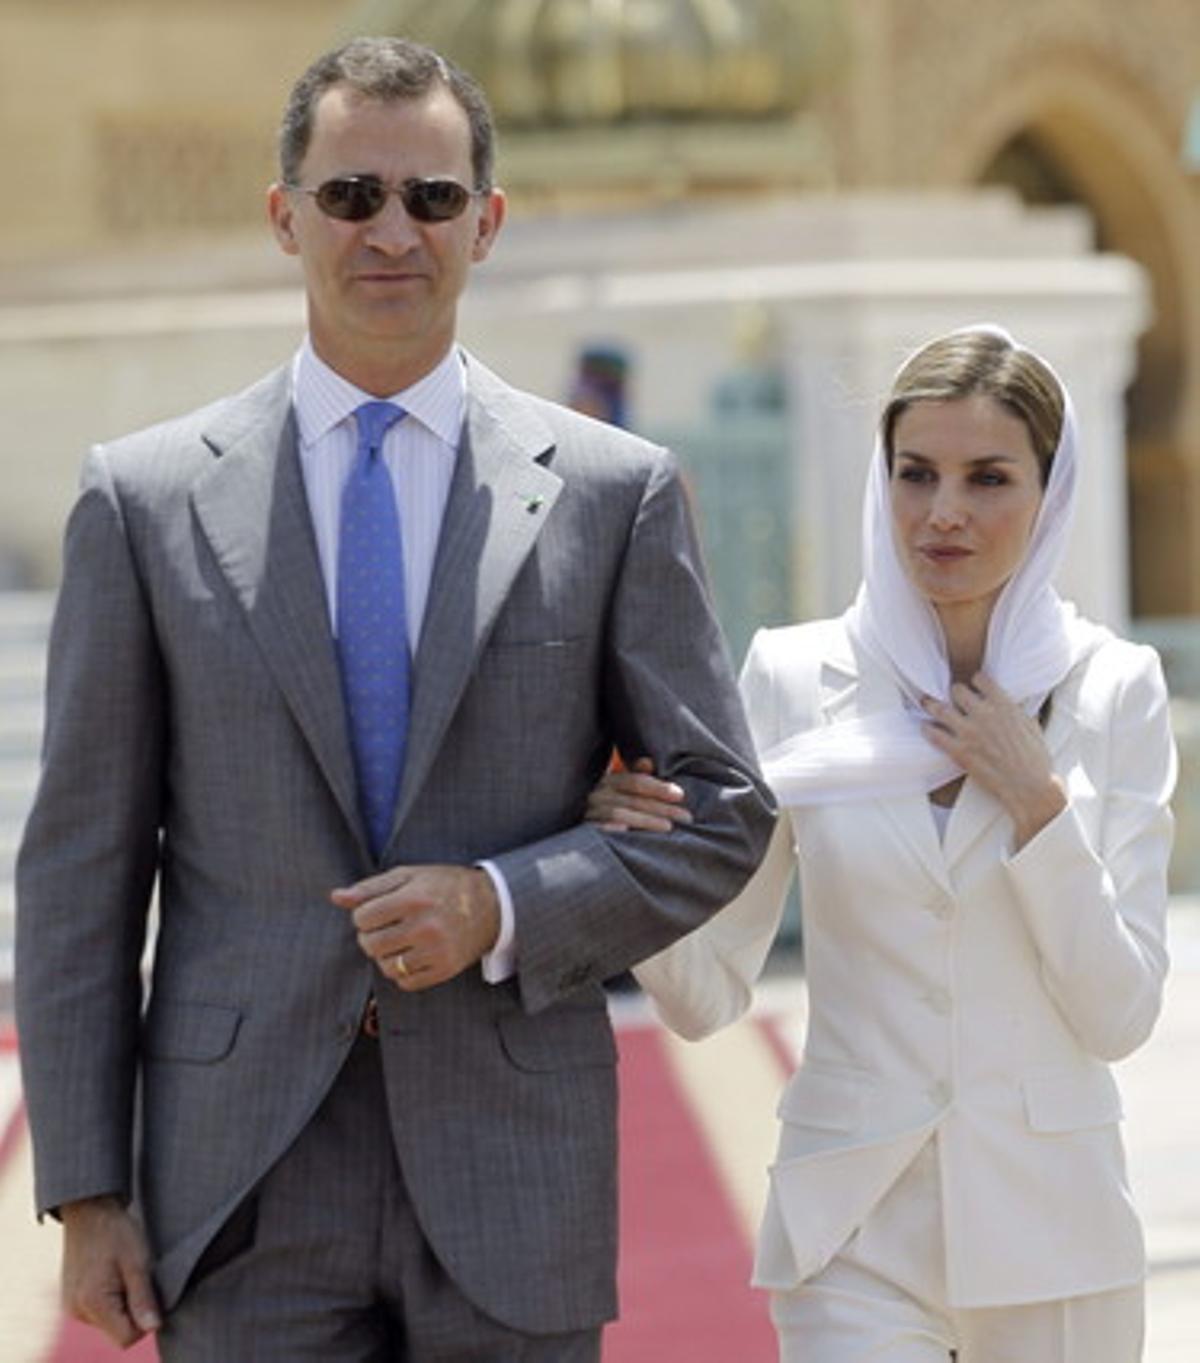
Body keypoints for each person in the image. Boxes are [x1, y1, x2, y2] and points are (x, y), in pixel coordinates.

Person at [14, 36, 775, 1363]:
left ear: (485, 223)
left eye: (429, 198)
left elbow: (721, 810)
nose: (390, 231)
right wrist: (87, 1186)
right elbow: (82, 860)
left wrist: (505, 901)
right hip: (241, 1177)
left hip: (512, 1163)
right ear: (283, 216)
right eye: (350, 194)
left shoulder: (609, 491)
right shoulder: (143, 500)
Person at [589, 326, 1176, 1362]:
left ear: (1051, 493)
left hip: (1058, 1232)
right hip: (850, 1228)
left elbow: (1119, 1011)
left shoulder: (1111, 687)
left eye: (987, 477)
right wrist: (642, 863)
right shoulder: (789, 677)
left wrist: (1037, 805)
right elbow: (705, 993)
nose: (943, 511)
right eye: (916, 473)